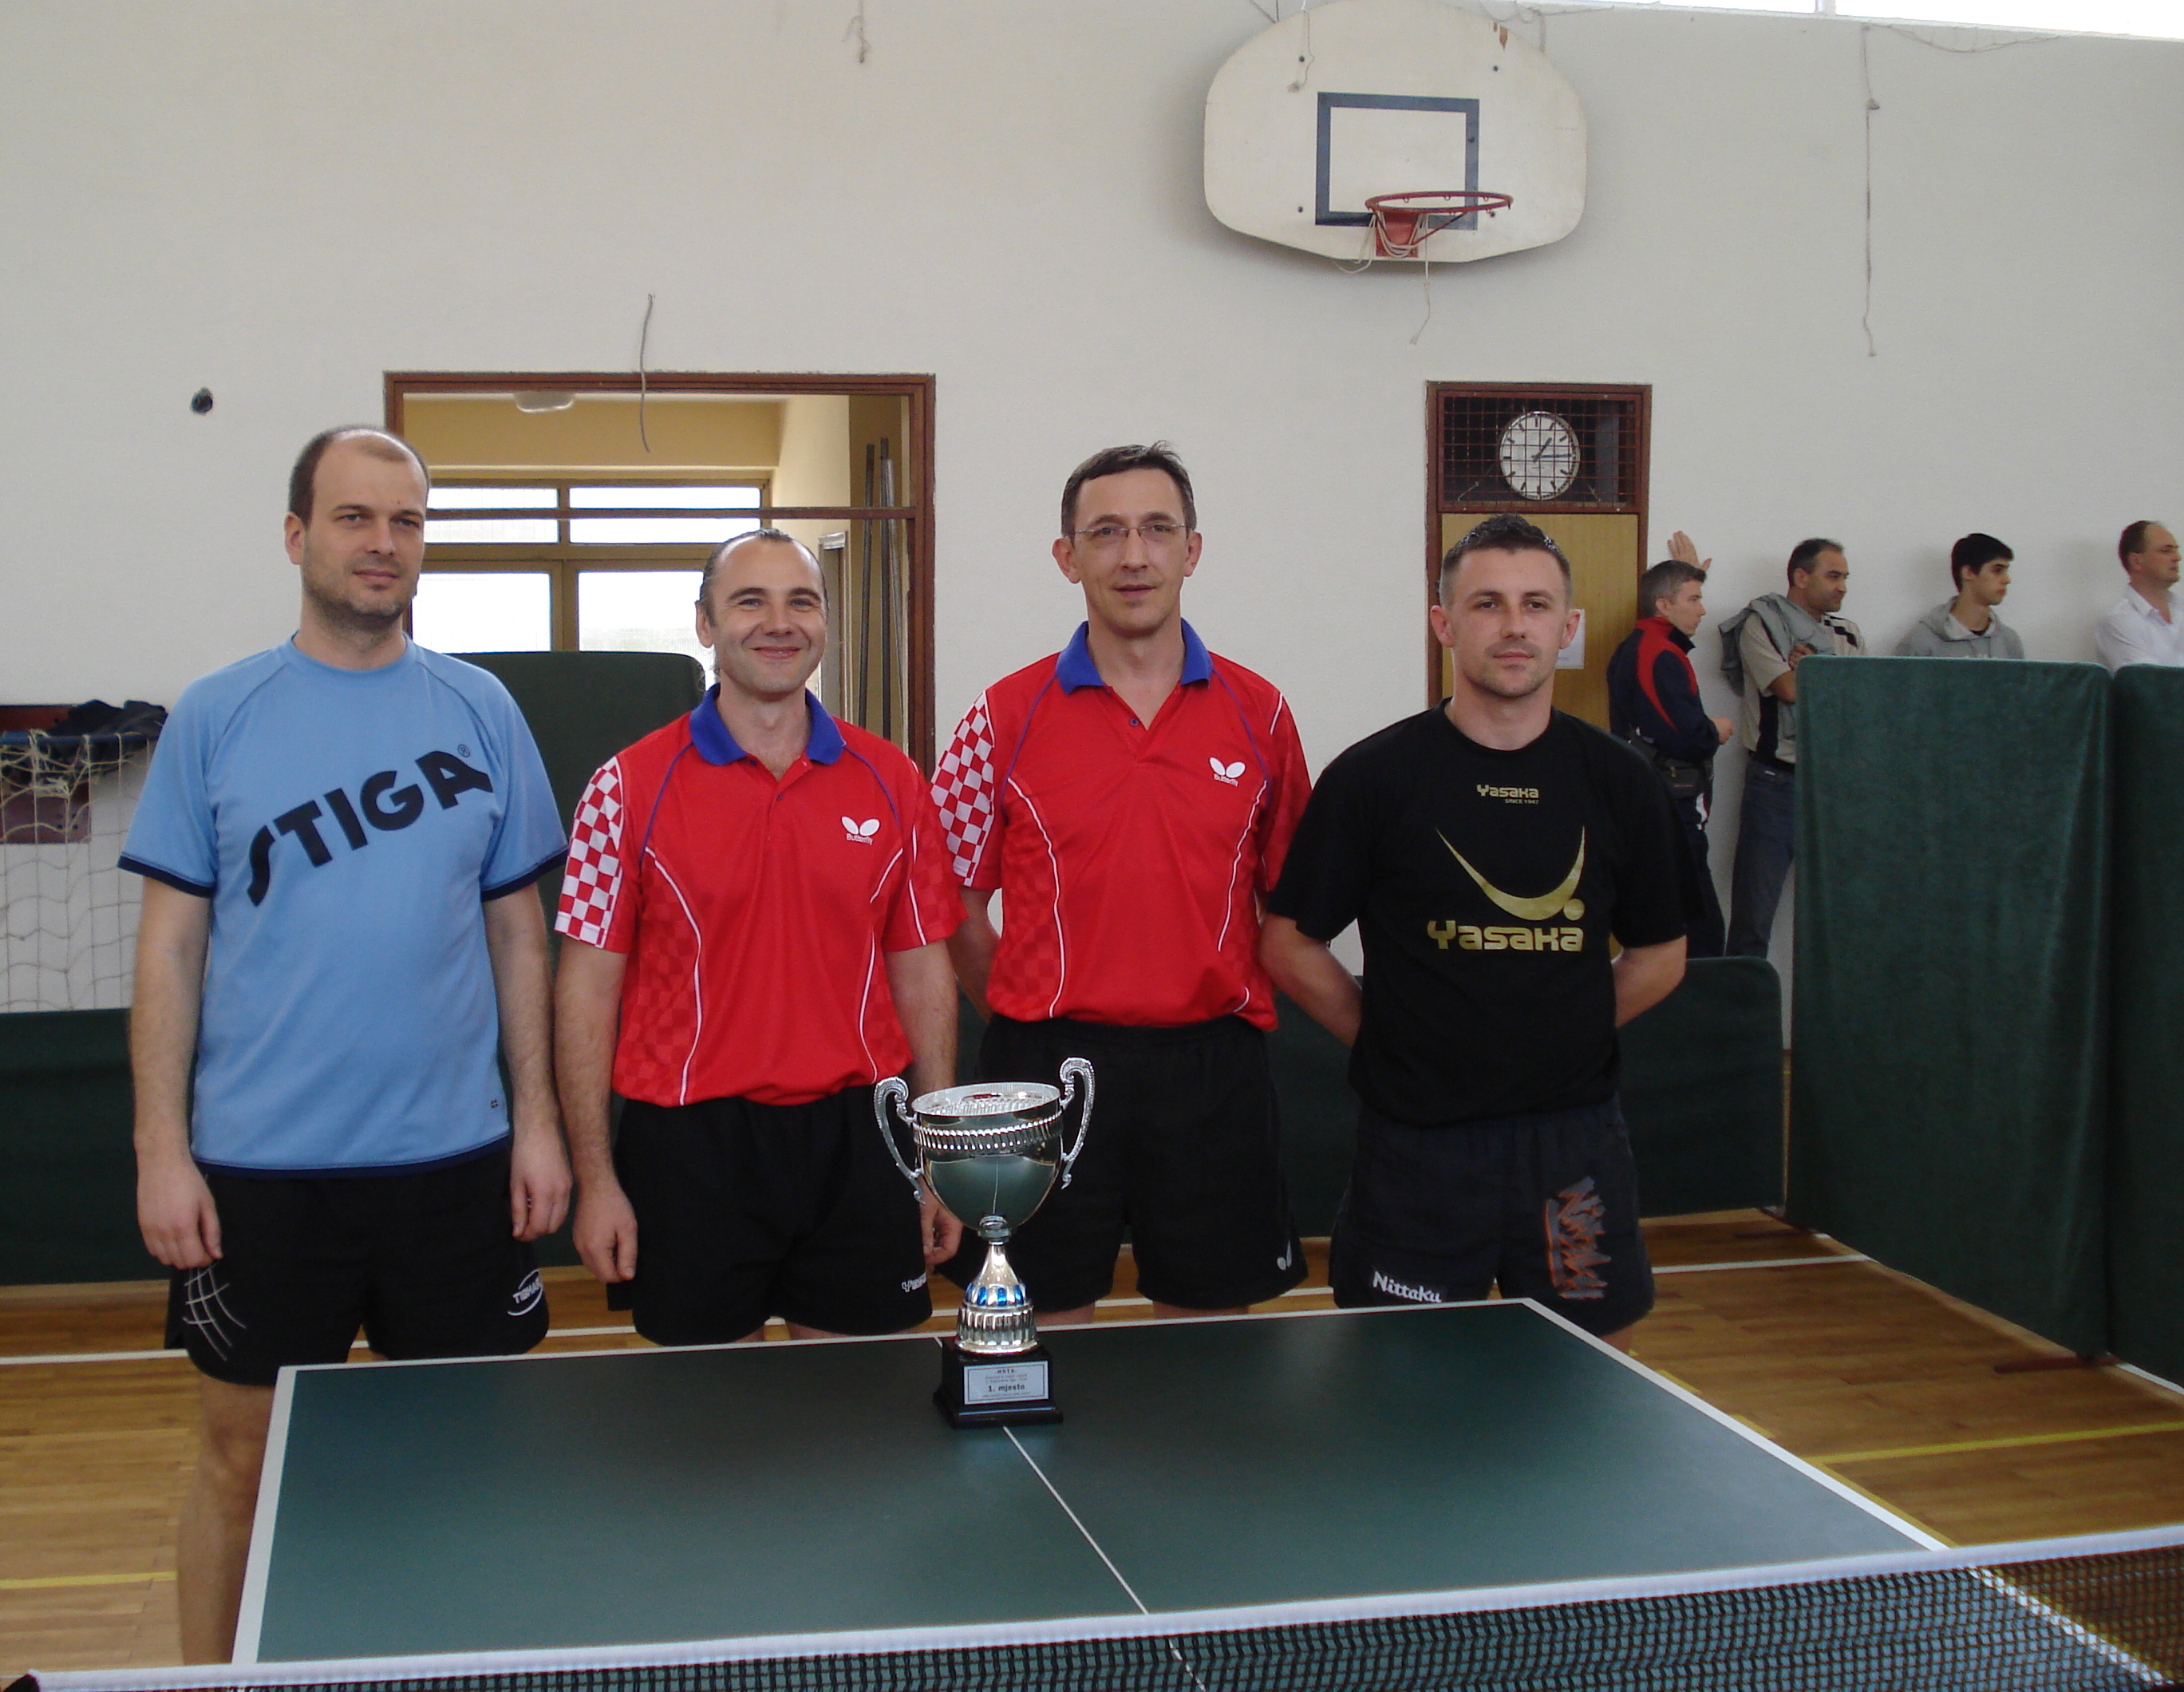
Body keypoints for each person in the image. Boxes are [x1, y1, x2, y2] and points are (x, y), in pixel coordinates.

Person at [122, 426, 571, 1663]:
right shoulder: (217, 715)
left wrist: (537, 1123)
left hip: (455, 1170)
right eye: (355, 518)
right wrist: (162, 1151)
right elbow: (168, 952)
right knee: (239, 1466)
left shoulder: (481, 708)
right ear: (296, 536)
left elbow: (518, 935)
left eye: (406, 522)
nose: (383, 544)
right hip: (261, 1175)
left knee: (465, 1463)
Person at [1258, 514, 1688, 1348]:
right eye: (1487, 603)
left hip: (1572, 1147)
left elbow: (1662, 953)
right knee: (1404, 1381)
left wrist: (1565, 1034)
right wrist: (1385, 1038)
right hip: (1418, 1147)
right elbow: (1288, 943)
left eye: (1536, 605)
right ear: (1444, 623)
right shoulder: (1375, 778)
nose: (1514, 625)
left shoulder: (1620, 782)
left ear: (1568, 627)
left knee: (1587, 1382)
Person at [930, 442, 1313, 1323]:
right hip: (1044, 1072)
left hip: (1215, 1071)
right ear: (1068, 557)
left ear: (1193, 549)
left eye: (1156, 529)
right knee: (1039, 1329)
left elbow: (1290, 908)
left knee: (1208, 1338)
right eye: (1105, 532)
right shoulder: (999, 716)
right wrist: (1027, 1014)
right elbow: (951, 904)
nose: (1133, 555)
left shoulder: (1262, 713)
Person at [554, 528, 963, 1347]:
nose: (779, 623)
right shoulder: (623, 788)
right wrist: (596, 1179)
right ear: (705, 623)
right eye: (750, 602)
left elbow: (922, 976)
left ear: (825, 623)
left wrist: (937, 1157)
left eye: (801, 602)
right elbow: (585, 993)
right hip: (690, 1146)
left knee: (856, 1404)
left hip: (860, 1135)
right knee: (712, 1411)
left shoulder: (894, 780)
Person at [1720, 538, 1863, 961]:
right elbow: (1787, 689)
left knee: (1842, 912)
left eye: (1845, 578)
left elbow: (1864, 697)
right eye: (1833, 576)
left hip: (1834, 785)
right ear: (1801, 577)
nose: (1842, 587)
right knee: (1754, 916)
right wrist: (1825, 677)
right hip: (1775, 782)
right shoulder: (1761, 623)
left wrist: (1814, 667)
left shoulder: (1848, 632)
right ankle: (1744, 1004)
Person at [1606, 552, 1732, 957]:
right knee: (1699, 932)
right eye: (1693, 599)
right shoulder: (1655, 652)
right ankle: (1693, 998)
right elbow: (1683, 736)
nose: (1702, 610)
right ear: (1663, 605)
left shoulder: (1654, 648)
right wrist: (1715, 731)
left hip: (1664, 803)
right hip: (1670, 806)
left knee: (1684, 925)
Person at [1896, 533, 2024, 659]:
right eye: (1997, 570)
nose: (2007, 580)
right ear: (1968, 572)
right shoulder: (1922, 642)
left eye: (2006, 571)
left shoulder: (2009, 642)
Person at [2095, 521, 2184, 669]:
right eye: (2166, 551)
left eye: (2176, 550)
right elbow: (2149, 680)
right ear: (2136, 561)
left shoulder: (2180, 609)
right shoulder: (2119, 621)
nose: (2177, 557)